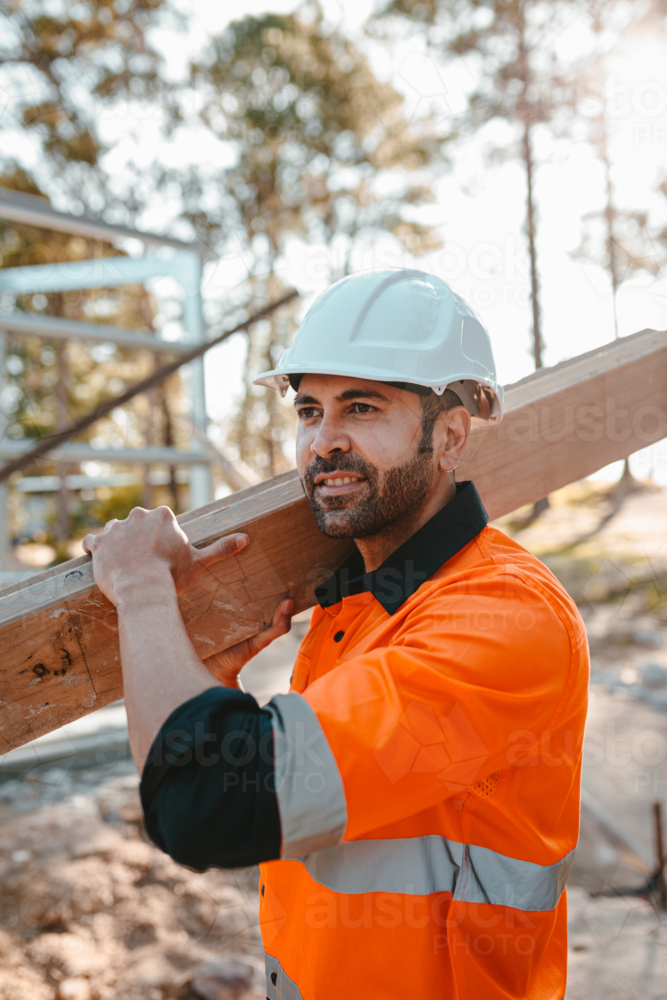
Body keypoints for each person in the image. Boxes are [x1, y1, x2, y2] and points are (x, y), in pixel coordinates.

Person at [83, 269, 588, 1000]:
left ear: (448, 435)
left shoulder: (502, 616)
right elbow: (195, 797)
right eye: (309, 411)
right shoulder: (356, 606)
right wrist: (210, 688)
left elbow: (207, 810)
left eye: (361, 408)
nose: (324, 442)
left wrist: (138, 588)